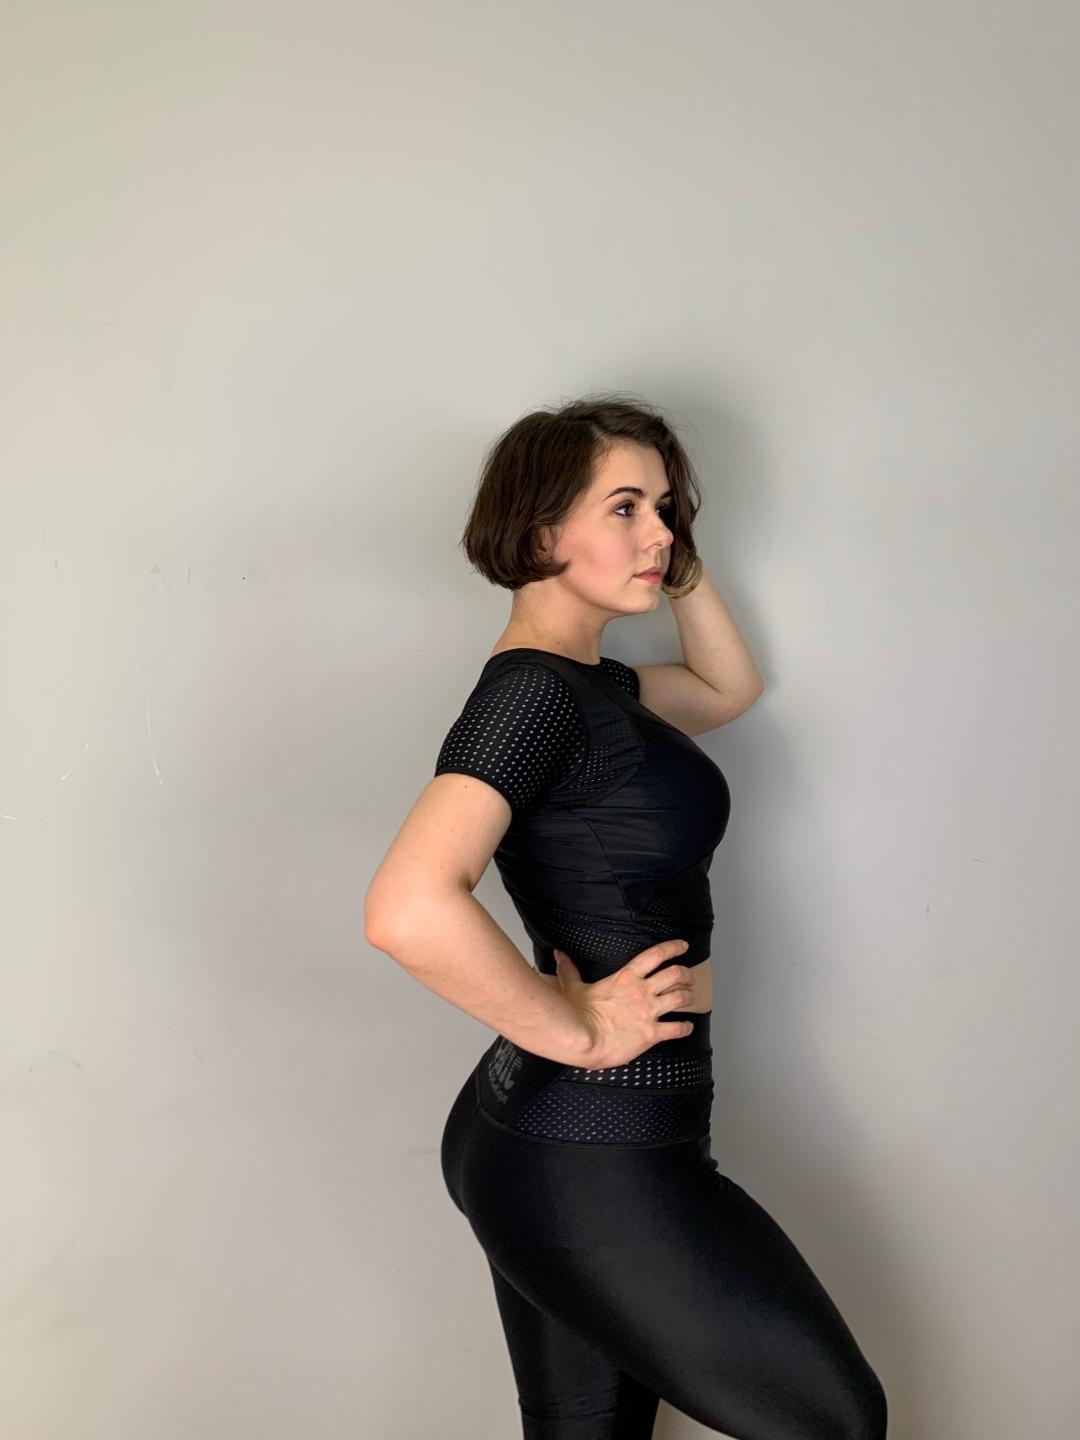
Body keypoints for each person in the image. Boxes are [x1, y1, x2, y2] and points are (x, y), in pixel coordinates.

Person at [365, 395, 888, 1439]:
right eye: (625, 508)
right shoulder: (533, 700)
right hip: (589, 1151)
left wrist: (673, 565)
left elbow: (726, 687)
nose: (659, 531)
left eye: (666, 506)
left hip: (548, 1135)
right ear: (540, 533)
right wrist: (582, 1031)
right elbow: (407, 907)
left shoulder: (590, 687)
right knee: (837, 1422)